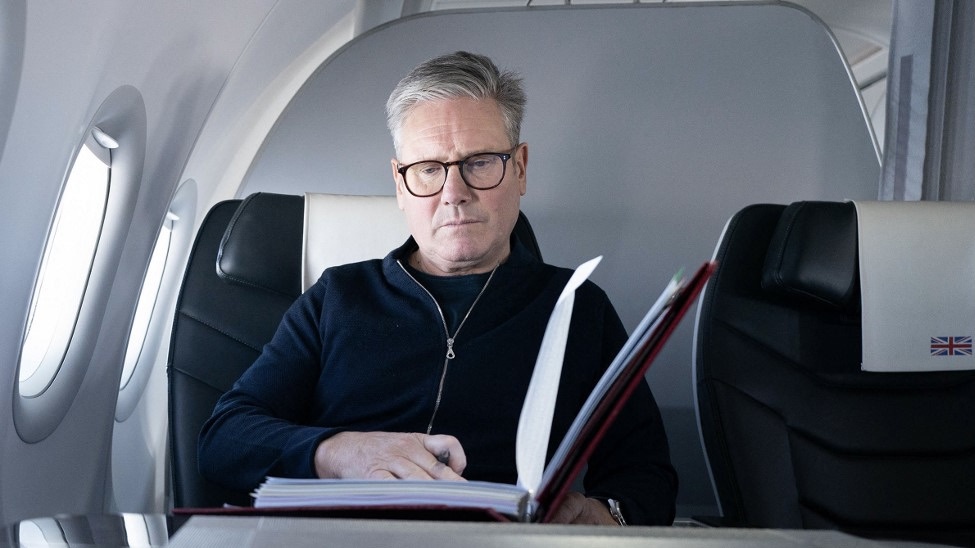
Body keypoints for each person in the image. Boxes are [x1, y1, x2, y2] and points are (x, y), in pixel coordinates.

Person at [198, 51, 677, 525]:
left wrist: (605, 513)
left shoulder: (577, 308)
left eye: (480, 162)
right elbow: (224, 438)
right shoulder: (337, 296)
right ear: (400, 185)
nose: (454, 192)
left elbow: (646, 474)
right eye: (428, 169)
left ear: (521, 168)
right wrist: (338, 452)